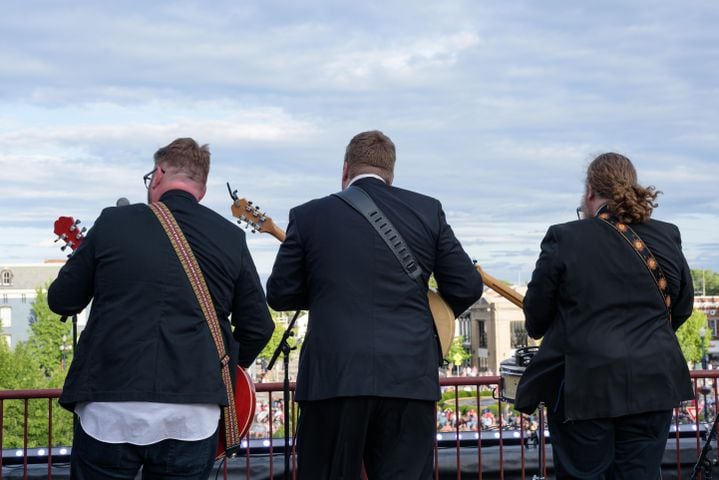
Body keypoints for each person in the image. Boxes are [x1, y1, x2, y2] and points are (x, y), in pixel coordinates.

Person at [48, 138, 275, 479]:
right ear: (202, 188)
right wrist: (220, 365)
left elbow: (61, 301)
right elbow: (259, 326)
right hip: (192, 417)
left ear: (157, 175)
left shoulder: (113, 223)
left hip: (110, 410)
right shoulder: (231, 237)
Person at [266, 130, 483, 479]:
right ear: (391, 173)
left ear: (345, 169)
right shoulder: (428, 211)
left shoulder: (308, 216)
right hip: (409, 377)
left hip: (333, 379)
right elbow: (467, 286)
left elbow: (279, 294)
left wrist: (327, 291)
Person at [514, 152, 694, 479]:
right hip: (654, 381)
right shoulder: (668, 235)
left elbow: (536, 318)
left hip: (585, 387)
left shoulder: (565, 237)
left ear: (590, 192)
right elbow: (681, 308)